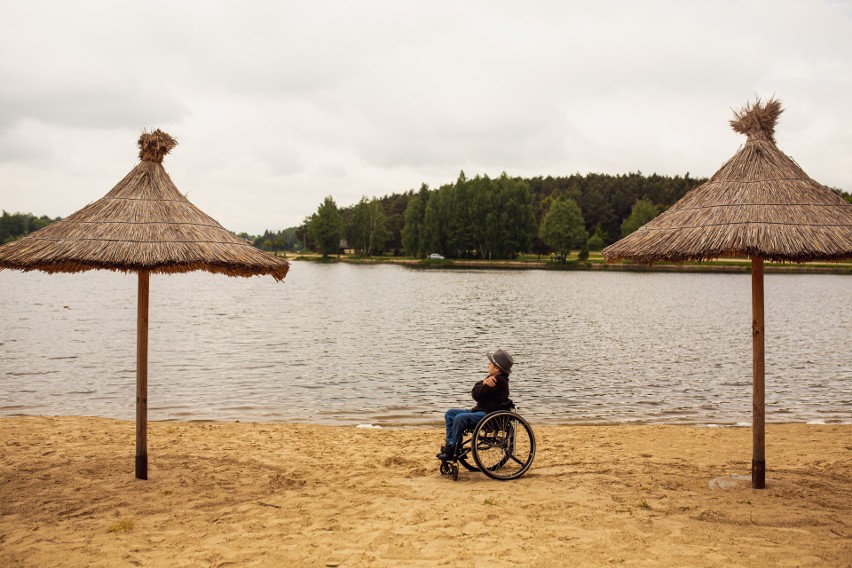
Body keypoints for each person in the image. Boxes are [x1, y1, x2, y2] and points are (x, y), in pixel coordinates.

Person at [437, 348, 514, 461]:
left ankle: (453, 447)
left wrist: (482, 383)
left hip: (488, 415)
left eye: (490, 363)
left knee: (459, 418)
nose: (488, 365)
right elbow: (476, 392)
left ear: (497, 368)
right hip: (481, 411)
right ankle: (450, 443)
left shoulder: (497, 381)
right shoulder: (492, 379)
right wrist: (483, 382)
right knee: (450, 414)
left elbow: (476, 394)